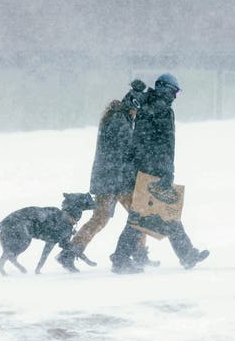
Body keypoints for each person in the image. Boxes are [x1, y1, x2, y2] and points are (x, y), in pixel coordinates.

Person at [110, 73, 210, 274]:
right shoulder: (160, 109)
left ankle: (187, 254)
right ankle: (120, 258)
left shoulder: (149, 103)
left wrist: (135, 93)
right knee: (142, 217)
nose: (175, 96)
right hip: (152, 170)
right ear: (166, 89)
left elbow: (131, 105)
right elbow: (162, 145)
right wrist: (166, 172)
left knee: (165, 213)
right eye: (175, 91)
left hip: (144, 167)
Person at [56, 80, 157, 272]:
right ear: (133, 106)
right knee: (118, 217)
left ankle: (139, 253)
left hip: (115, 179)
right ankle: (70, 252)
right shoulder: (120, 120)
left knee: (132, 215)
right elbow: (125, 150)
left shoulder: (119, 117)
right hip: (113, 180)